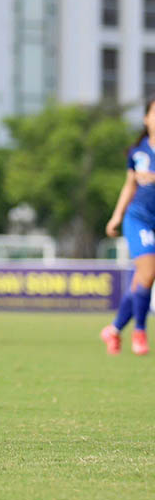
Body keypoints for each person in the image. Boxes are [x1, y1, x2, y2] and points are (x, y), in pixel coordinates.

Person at [101, 97, 155, 356]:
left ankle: (113, 330)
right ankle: (140, 331)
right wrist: (116, 216)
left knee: (140, 282)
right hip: (139, 219)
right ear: (146, 119)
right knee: (148, 272)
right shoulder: (139, 152)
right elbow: (129, 186)